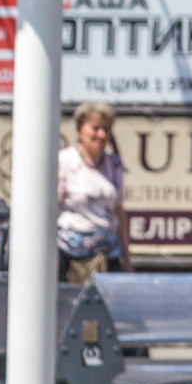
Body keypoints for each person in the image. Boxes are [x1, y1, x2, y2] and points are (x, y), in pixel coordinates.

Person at [56, 102, 131, 284]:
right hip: (68, 254)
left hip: (107, 253)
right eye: (95, 128)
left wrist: (127, 258)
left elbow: (119, 212)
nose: (101, 134)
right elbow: (51, 208)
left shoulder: (114, 164)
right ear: (79, 130)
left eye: (106, 129)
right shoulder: (65, 160)